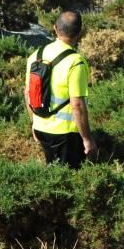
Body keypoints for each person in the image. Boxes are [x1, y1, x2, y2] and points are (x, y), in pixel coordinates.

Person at [25, 10, 96, 169]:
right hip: (65, 134)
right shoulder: (75, 62)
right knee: (67, 180)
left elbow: (27, 93)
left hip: (41, 127)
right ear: (80, 34)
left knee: (53, 176)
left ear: (55, 28)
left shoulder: (36, 55)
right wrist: (87, 138)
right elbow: (77, 104)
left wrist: (34, 123)